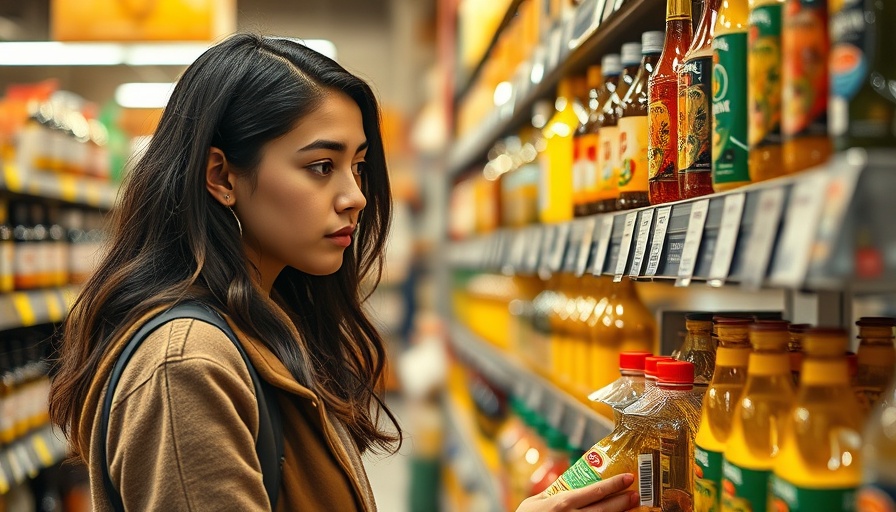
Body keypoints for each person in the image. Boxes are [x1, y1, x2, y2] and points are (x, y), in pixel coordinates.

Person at [47, 33, 639, 512]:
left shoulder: (264, 323)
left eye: (356, 166)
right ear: (221, 176)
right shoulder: (186, 366)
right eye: (321, 166)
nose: (355, 195)